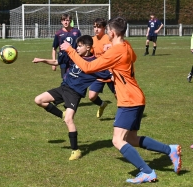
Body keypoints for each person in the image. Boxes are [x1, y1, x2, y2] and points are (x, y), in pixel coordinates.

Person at [60, 17, 181, 183]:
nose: (107, 33)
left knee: (117, 140)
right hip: (136, 97)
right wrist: (113, 47)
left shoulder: (117, 51)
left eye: (108, 30)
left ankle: (147, 171)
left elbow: (88, 67)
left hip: (129, 100)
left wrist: (70, 50)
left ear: (113, 32)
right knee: (131, 139)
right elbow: (134, 57)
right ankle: (170, 150)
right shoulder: (126, 46)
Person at [33, 35, 112, 161]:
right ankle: (62, 114)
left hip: (74, 94)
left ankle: (75, 150)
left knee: (69, 120)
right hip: (63, 88)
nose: (77, 48)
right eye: (77, 46)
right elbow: (57, 62)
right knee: (38, 100)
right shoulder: (74, 56)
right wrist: (41, 60)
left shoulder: (94, 63)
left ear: (88, 47)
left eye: (80, 46)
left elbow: (109, 74)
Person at [89, 18, 116, 118]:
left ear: (104, 28)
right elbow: (90, 54)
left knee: (118, 95)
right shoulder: (92, 40)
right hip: (99, 73)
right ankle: (102, 104)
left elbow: (117, 52)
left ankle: (123, 114)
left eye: (99, 27)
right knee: (91, 96)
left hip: (110, 72)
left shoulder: (109, 39)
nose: (96, 29)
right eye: (95, 27)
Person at [51, 13, 81, 78]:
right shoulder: (58, 34)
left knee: (75, 78)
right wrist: (53, 63)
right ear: (61, 21)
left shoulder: (77, 32)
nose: (65, 22)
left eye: (67, 20)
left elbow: (81, 46)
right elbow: (54, 48)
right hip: (63, 61)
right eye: (64, 20)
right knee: (65, 79)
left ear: (70, 21)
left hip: (74, 60)